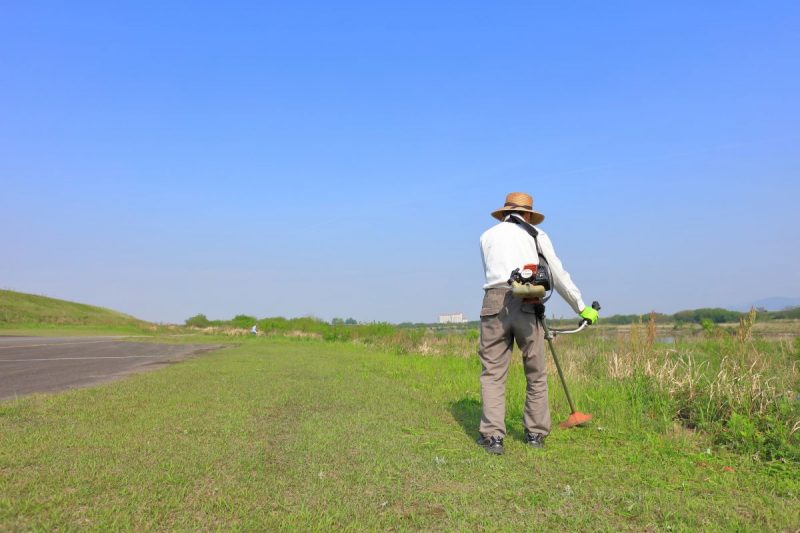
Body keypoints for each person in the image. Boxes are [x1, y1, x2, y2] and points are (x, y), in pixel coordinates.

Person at [476, 192, 598, 455]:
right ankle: (534, 434)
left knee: (493, 374)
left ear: (505, 213)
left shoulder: (487, 236)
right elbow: (557, 273)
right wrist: (581, 306)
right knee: (535, 373)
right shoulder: (536, 236)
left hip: (493, 302)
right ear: (528, 214)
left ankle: (493, 438)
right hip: (527, 302)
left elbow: (494, 273)